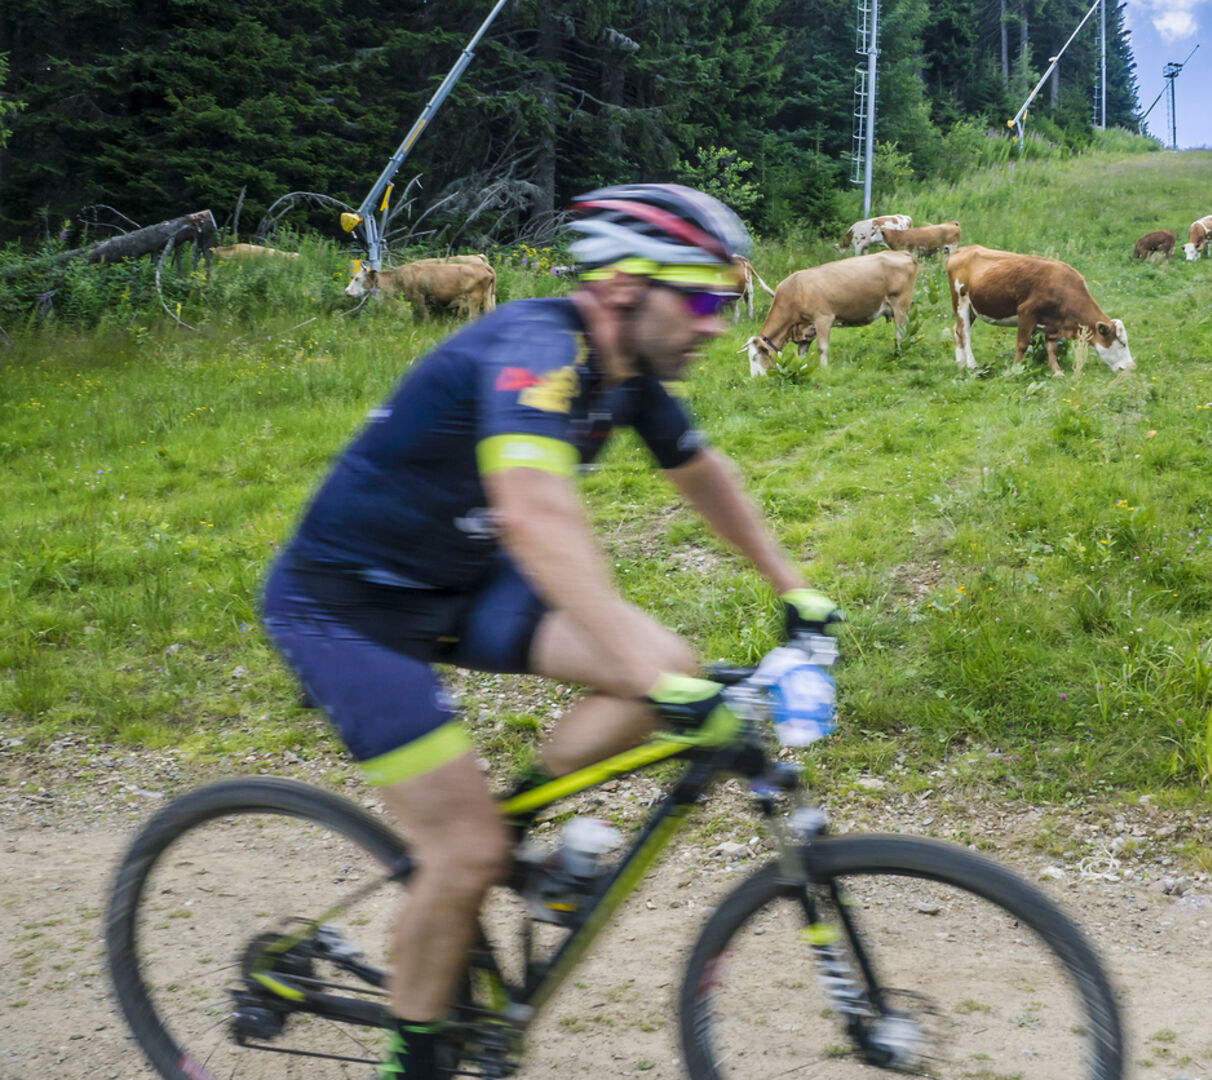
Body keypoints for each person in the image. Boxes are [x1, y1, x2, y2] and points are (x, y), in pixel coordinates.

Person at [259, 183, 837, 1080]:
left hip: (455, 581)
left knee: (664, 667)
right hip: (346, 605)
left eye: (724, 302)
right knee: (465, 849)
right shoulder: (535, 350)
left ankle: (504, 835)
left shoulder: (630, 374)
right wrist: (646, 668)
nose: (717, 323)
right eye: (694, 297)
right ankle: (414, 1048)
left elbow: (703, 473)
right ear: (617, 289)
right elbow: (534, 514)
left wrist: (797, 590)